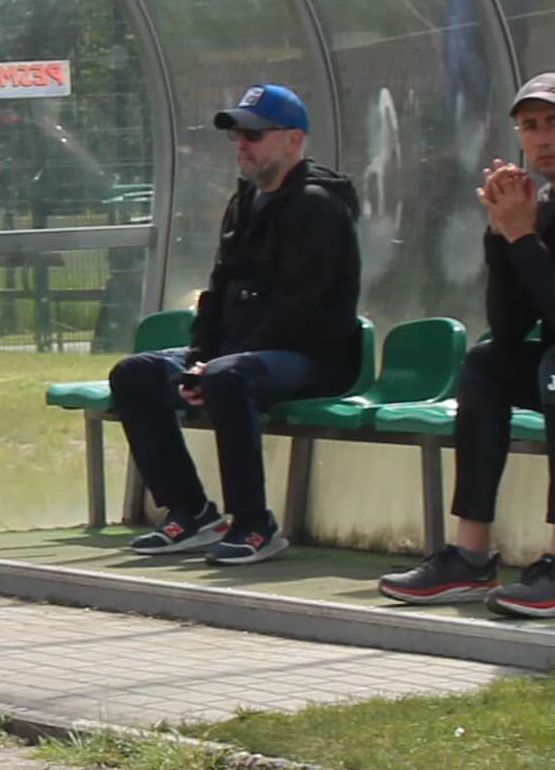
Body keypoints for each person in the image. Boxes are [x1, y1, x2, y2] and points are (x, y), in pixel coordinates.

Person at [375, 73, 555, 619]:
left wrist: (522, 238)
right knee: (487, 363)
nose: (540, 138)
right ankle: (470, 556)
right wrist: (502, 236)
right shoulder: (549, 206)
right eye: (529, 126)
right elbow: (512, 326)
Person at [102, 82, 363, 569]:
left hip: (313, 356)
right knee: (134, 373)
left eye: (255, 135)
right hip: (244, 352)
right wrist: (201, 357)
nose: (242, 144)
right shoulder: (244, 202)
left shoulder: (319, 207)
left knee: (228, 378)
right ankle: (192, 512)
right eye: (238, 134)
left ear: (293, 140)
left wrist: (218, 364)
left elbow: (302, 310)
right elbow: (218, 291)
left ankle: (254, 525)